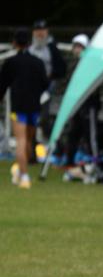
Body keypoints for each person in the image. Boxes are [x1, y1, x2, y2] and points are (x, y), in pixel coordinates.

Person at [0, 29, 48, 189]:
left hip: (18, 106)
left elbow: (2, 84)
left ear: (14, 43)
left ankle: (25, 176)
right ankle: (21, 172)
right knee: (28, 140)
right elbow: (45, 84)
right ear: (29, 43)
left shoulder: (11, 63)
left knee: (20, 140)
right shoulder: (38, 62)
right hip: (34, 106)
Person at [62, 34, 101, 170]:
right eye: (75, 47)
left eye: (80, 46)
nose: (77, 49)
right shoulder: (75, 64)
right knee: (73, 133)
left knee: (90, 134)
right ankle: (69, 161)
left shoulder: (91, 63)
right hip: (77, 105)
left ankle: (95, 161)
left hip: (89, 105)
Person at [29, 19, 66, 148]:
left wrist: (50, 77)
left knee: (44, 118)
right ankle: (32, 147)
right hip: (31, 88)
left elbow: (61, 68)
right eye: (38, 31)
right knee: (30, 119)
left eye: (42, 30)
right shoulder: (30, 48)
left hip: (46, 88)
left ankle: (56, 145)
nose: (40, 33)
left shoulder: (51, 47)